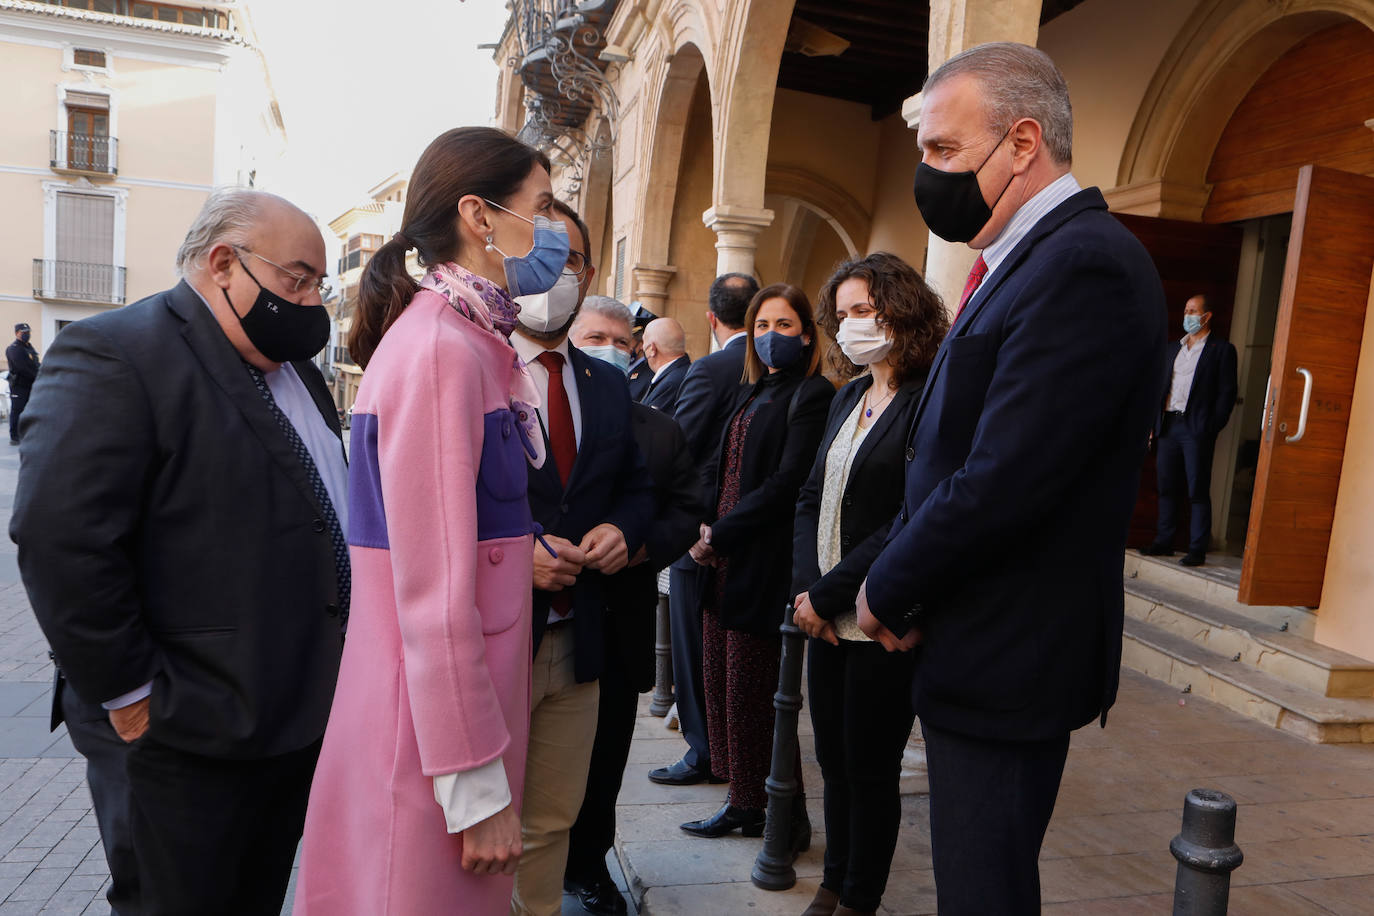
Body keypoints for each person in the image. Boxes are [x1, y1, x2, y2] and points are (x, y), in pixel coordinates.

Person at [855, 43, 1167, 914]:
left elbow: (1005, 476)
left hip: (1012, 653)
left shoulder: (1084, 263)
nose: (928, 175)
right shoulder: (1025, 259)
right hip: (976, 636)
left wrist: (889, 587)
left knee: (983, 892)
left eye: (944, 152)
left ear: (1023, 141)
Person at [12, 188, 348, 915]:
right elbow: (59, 536)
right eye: (297, 278)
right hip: (181, 730)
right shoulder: (117, 351)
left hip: (285, 721)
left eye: (319, 284)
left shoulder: (301, 377)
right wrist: (131, 695)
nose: (311, 299)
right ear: (224, 263)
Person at [292, 127, 556, 915]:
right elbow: (432, 594)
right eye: (538, 207)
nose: (549, 230)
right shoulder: (444, 348)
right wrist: (475, 785)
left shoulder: (467, 339)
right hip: (428, 746)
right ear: (480, 215)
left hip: (429, 731)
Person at [791, 253, 948, 916]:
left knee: (870, 767)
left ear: (899, 312)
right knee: (830, 759)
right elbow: (808, 497)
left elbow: (907, 518)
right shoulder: (850, 395)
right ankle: (833, 879)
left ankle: (860, 896)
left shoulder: (925, 400)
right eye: (843, 314)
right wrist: (806, 592)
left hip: (875, 616)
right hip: (820, 617)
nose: (850, 326)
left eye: (864, 311)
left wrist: (830, 596)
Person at [510, 200, 654, 916]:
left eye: (565, 259)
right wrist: (514, 557)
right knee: (478, 826)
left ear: (587, 270)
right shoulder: (474, 364)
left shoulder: (603, 384)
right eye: (533, 253)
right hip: (496, 640)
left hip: (580, 641)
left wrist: (623, 531)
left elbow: (634, 483)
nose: (550, 273)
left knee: (551, 823)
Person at [563, 296, 702, 916]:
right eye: (597, 337)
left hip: (618, 623)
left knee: (605, 756)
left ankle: (589, 866)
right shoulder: (529, 410)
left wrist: (640, 544)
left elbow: (686, 508)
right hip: (541, 624)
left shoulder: (661, 429)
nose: (612, 352)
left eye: (624, 342)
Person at [680, 283, 834, 842]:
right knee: (725, 685)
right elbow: (723, 468)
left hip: (759, 559)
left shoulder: (811, 393)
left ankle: (772, 812)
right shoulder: (752, 390)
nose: (771, 337)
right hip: (720, 558)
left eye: (784, 326)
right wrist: (702, 530)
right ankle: (751, 801)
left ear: (807, 334)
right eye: (762, 326)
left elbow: (787, 483)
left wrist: (719, 533)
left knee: (757, 695)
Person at [649, 273, 757, 787]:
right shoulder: (781, 368)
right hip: (753, 528)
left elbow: (683, 449)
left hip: (702, 532)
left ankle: (704, 750)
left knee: (693, 648)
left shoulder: (711, 369)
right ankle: (732, 749)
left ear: (711, 319)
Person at [1141, 294, 1238, 567]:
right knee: (1167, 486)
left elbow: (1227, 393)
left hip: (1196, 427)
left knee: (1197, 489)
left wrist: (1211, 426)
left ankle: (1197, 548)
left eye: (1193, 311)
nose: (1188, 315)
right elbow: (1160, 388)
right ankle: (1164, 542)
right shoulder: (1174, 349)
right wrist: (1152, 424)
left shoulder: (1221, 350)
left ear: (1207, 316)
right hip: (1169, 424)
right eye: (1186, 310)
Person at [638, 317, 691, 411]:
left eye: (644, 343)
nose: (642, 348)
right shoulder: (686, 373)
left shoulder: (670, 384)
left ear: (652, 349)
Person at [7, 322, 40, 445]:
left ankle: (27, 434)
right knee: (18, 410)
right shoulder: (14, 349)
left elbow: (35, 364)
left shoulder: (29, 348)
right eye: (23, 333)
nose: (26, 335)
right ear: (16, 333)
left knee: (30, 410)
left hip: (31, 384)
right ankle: (15, 437)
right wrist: (38, 375)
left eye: (28, 332)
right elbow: (23, 368)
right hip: (19, 386)